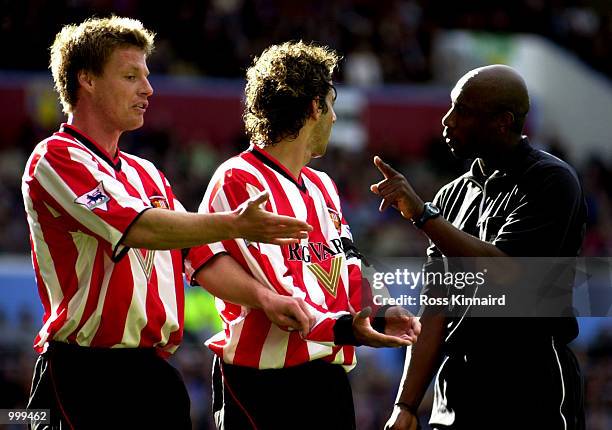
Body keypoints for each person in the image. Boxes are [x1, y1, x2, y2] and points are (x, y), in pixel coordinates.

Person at [22, 16, 313, 429]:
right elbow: (140, 227)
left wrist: (264, 298)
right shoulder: (55, 157)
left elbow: (200, 255)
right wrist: (233, 224)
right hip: (83, 374)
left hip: (155, 377)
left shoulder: (148, 174)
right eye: (130, 75)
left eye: (147, 75)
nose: (148, 89)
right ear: (86, 80)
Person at [184, 41, 421, 429]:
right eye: (331, 102)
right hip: (262, 383)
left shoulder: (323, 185)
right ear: (314, 107)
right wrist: (350, 328)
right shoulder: (240, 178)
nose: (334, 116)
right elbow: (283, 292)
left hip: (327, 377)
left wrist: (380, 312)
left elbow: (349, 266)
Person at [376, 65, 587, 430]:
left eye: (463, 110)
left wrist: (424, 216)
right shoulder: (450, 195)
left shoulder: (551, 181)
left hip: (530, 390)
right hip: (454, 395)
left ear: (503, 122)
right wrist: (406, 405)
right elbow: (435, 309)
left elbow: (504, 271)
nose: (447, 120)